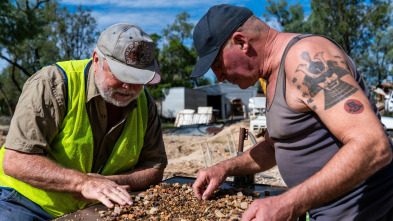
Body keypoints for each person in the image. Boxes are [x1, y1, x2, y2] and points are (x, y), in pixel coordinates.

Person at [190, 4, 393, 221]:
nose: (219, 77)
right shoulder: (272, 76)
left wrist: (289, 202)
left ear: (241, 42)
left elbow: (373, 145)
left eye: (218, 65)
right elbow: (274, 146)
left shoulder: (306, 58)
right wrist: (224, 168)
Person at [0, 23, 167, 220]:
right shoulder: (53, 83)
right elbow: (16, 161)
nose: (128, 86)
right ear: (97, 60)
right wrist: (83, 183)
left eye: (138, 78)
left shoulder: (145, 102)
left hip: (96, 208)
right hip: (25, 203)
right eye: (121, 74)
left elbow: (154, 167)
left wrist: (109, 182)